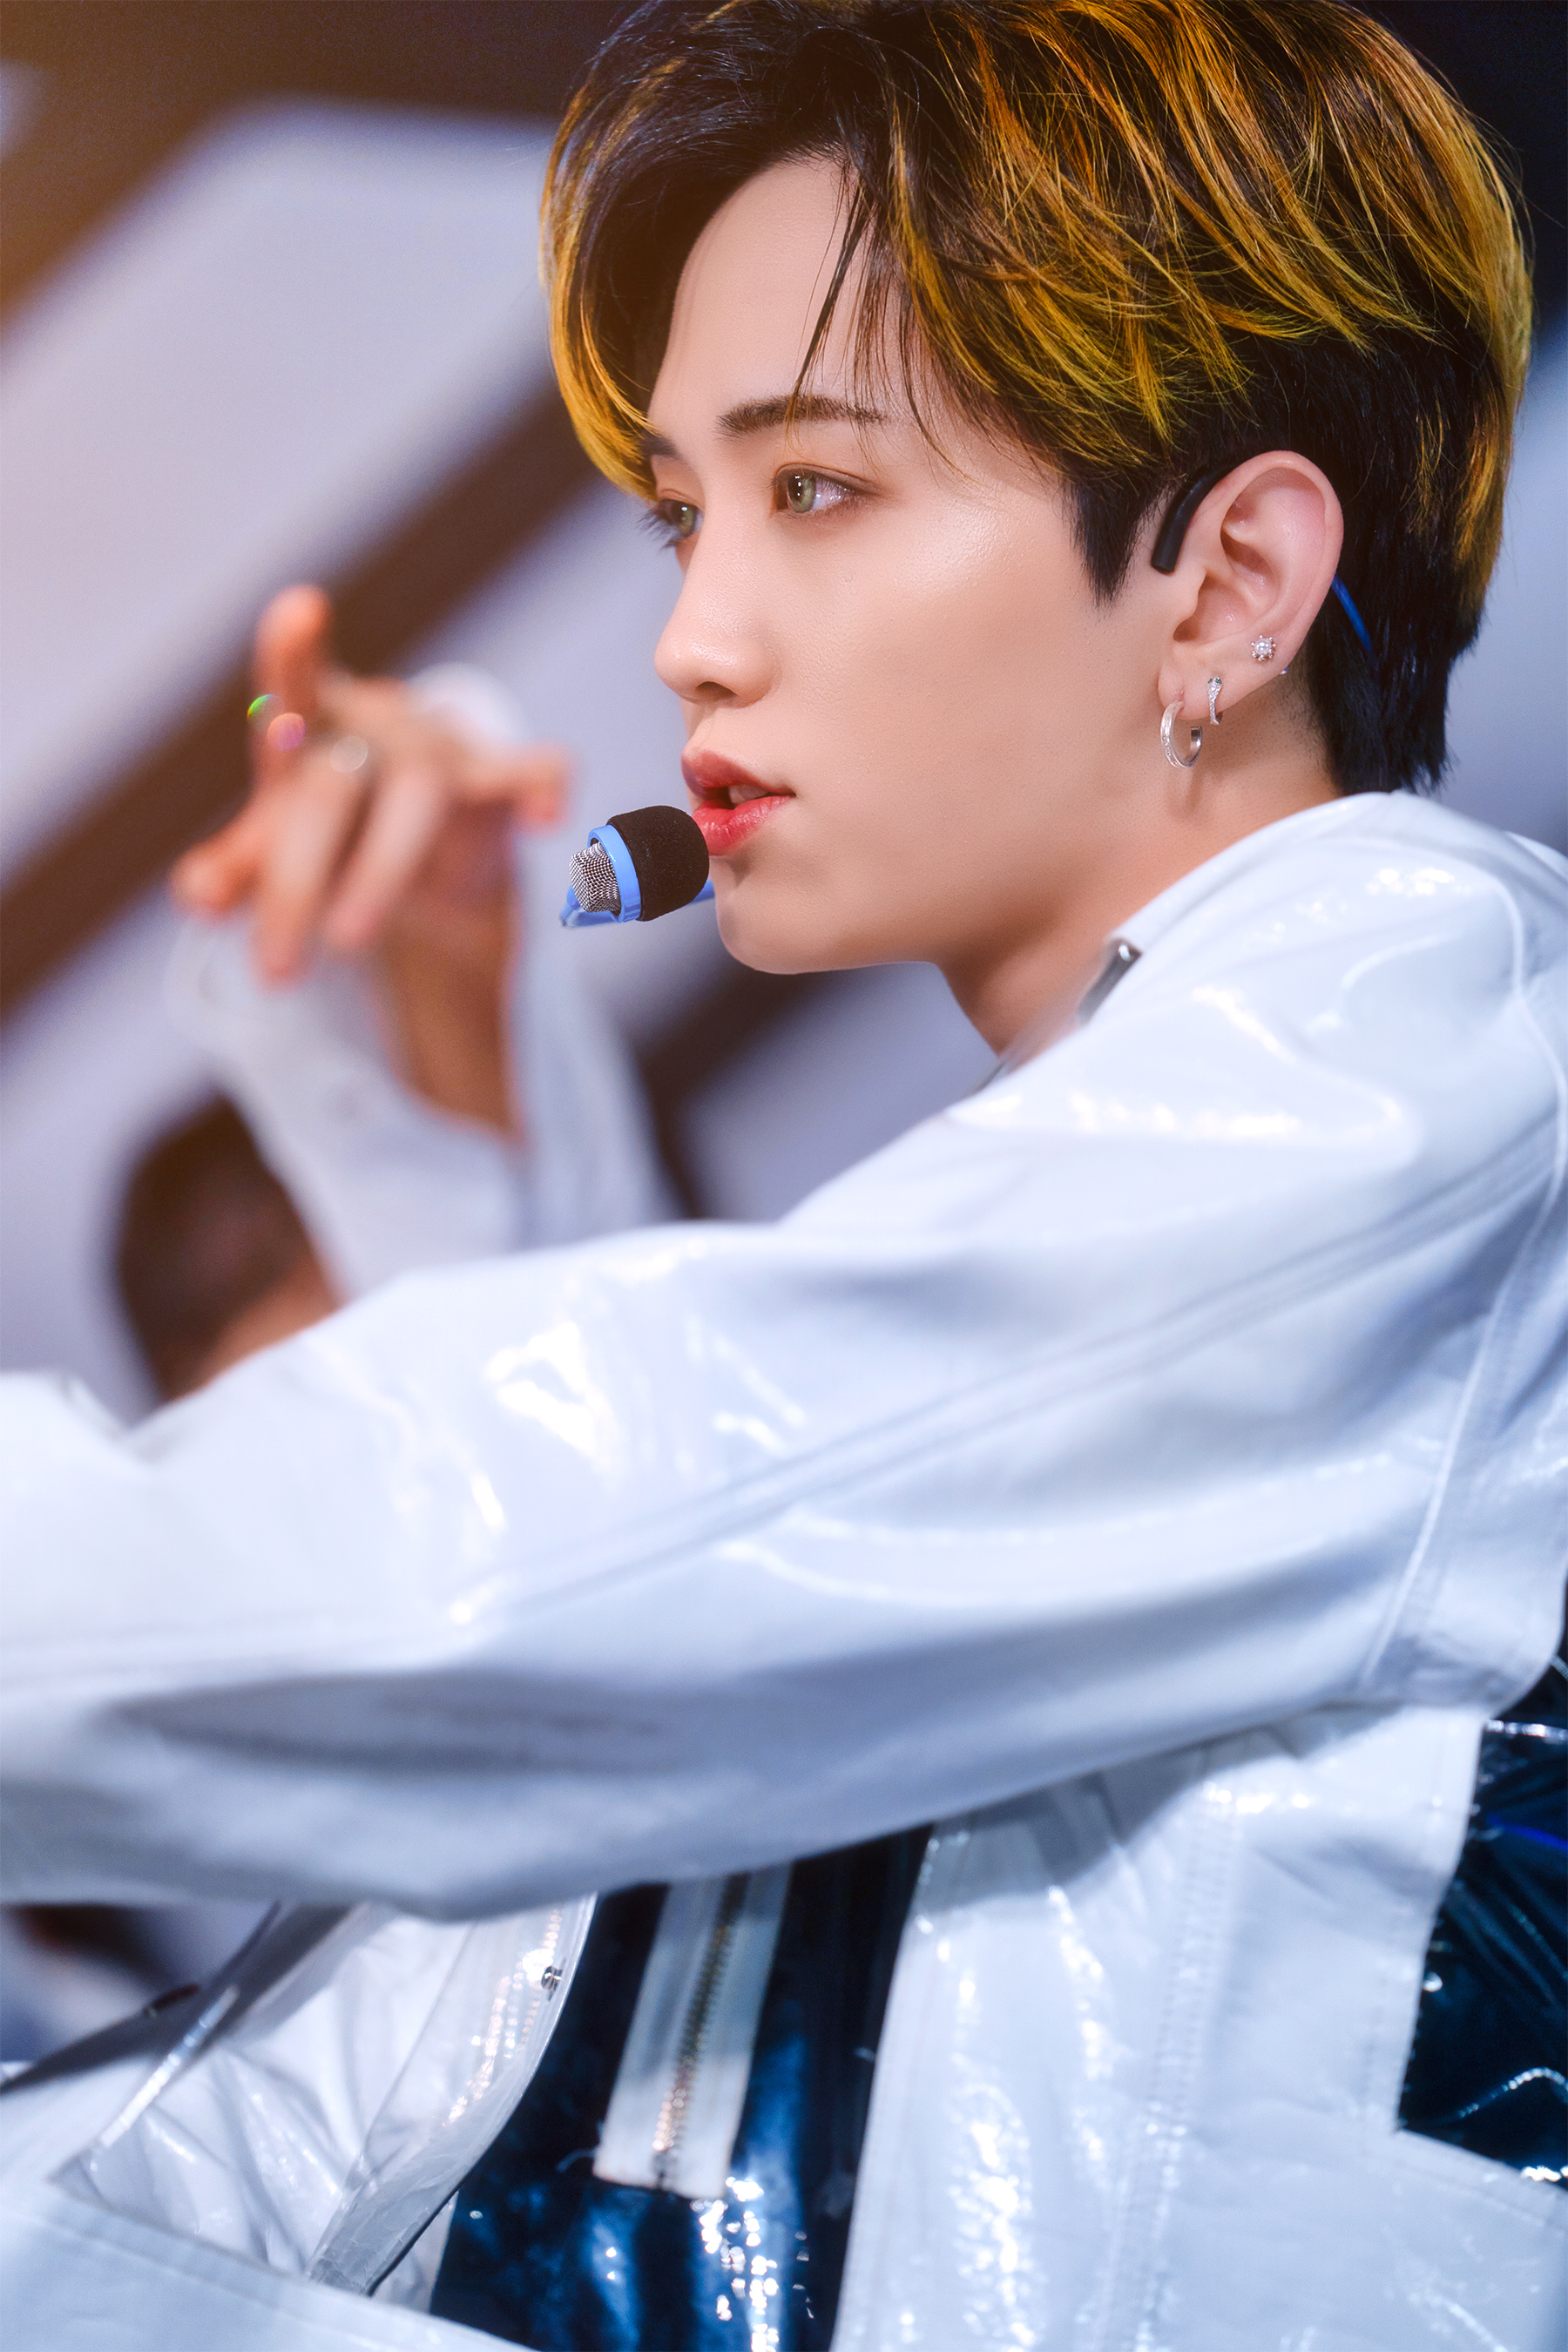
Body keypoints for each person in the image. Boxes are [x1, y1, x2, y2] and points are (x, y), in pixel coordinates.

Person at [1, 3, 1563, 2348]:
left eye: (814, 488)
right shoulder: (1224, 1144)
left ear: (1232, 582)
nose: (689, 640)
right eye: (680, 514)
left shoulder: (1416, 1036)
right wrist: (456, 1130)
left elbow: (547, 1590)